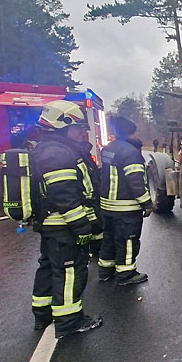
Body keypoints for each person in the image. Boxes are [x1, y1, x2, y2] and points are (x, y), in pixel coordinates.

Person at [32, 100, 103, 339]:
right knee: (70, 271)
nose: (81, 132)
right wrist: (81, 225)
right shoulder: (57, 153)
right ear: (62, 126)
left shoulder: (50, 148)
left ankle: (42, 314)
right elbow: (64, 194)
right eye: (77, 127)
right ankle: (69, 321)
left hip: (54, 225)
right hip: (64, 226)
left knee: (48, 267)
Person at [97, 116, 151, 285]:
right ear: (131, 132)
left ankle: (105, 271)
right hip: (125, 208)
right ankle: (125, 274)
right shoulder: (131, 153)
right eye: (136, 131)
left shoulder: (108, 149)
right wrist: (147, 203)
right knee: (128, 240)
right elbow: (135, 181)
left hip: (107, 206)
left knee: (109, 238)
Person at [78, 139, 103, 260]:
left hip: (91, 200)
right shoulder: (79, 156)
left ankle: (95, 250)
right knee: (94, 225)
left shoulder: (83, 155)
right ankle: (95, 250)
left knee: (96, 226)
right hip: (88, 202)